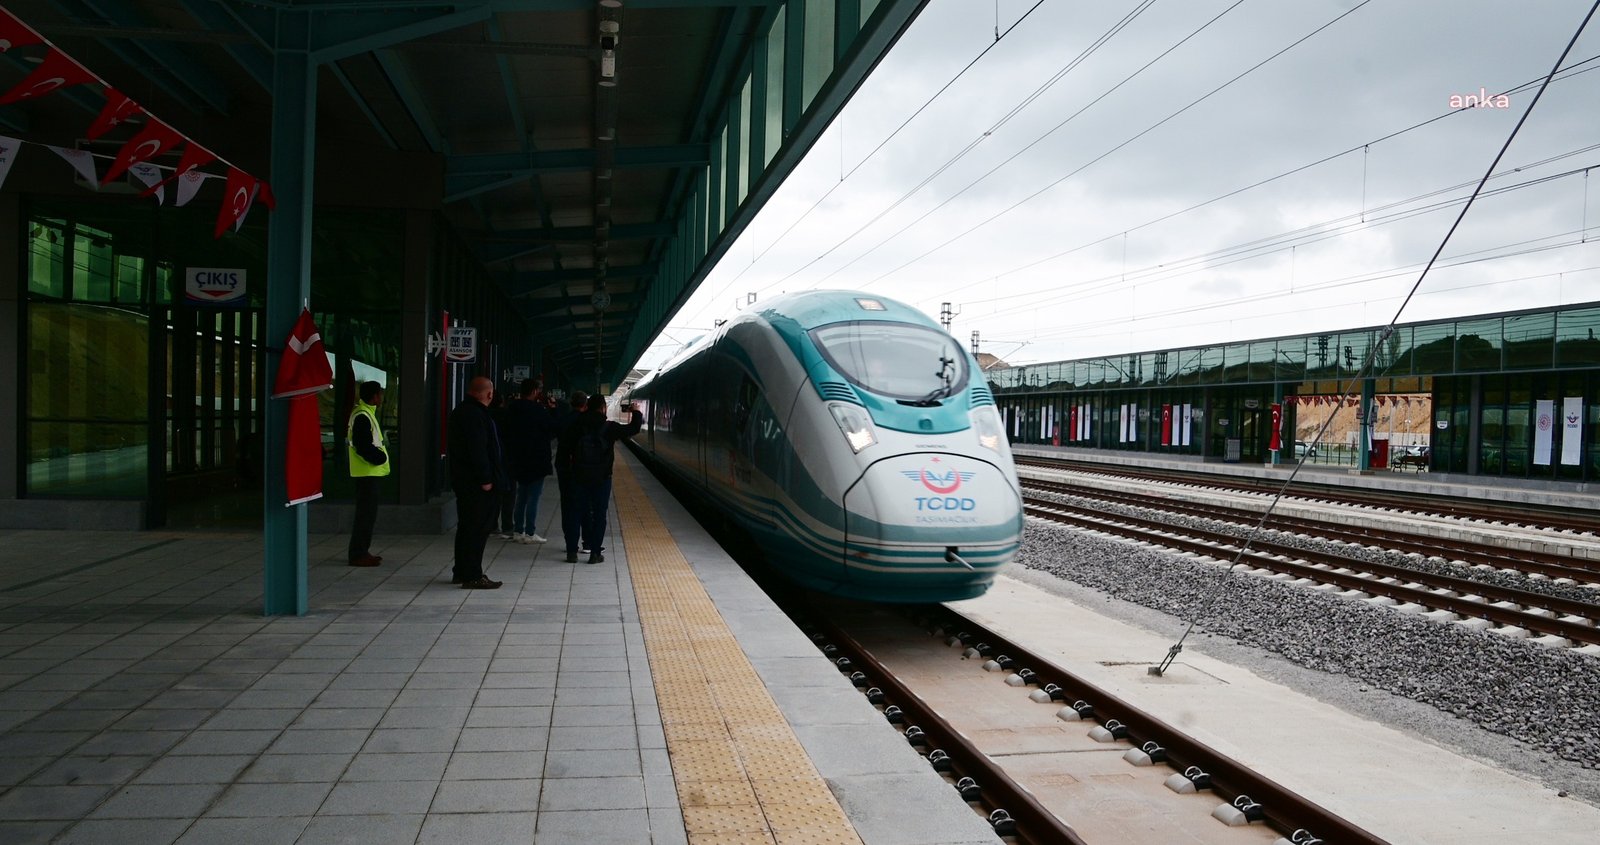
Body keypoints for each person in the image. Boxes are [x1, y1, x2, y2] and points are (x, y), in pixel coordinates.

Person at [557, 395, 643, 564]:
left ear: (587, 406)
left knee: (575, 512)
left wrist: (565, 474)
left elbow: (564, 451)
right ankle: (595, 553)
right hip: (602, 478)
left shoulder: (575, 425)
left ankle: (572, 552)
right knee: (599, 514)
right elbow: (633, 429)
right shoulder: (609, 427)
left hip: (578, 476)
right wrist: (637, 412)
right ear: (603, 408)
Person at [448, 376, 506, 589]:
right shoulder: (476, 415)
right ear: (489, 394)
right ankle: (473, 574)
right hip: (476, 484)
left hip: (465, 481)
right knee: (477, 530)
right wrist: (486, 480)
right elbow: (478, 449)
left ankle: (461, 571)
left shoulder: (462, 411)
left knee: (466, 528)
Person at [506, 378, 554, 544]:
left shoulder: (511, 408)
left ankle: (518, 531)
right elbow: (550, 431)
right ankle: (530, 532)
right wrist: (552, 410)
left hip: (517, 459)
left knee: (521, 496)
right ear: (534, 391)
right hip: (536, 460)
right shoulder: (539, 410)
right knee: (533, 497)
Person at [346, 381, 389, 567]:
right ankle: (358, 554)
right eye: (380, 394)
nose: (382, 397)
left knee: (367, 514)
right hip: (367, 472)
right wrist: (378, 458)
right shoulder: (363, 415)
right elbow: (362, 445)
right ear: (374, 396)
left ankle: (362, 551)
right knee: (365, 515)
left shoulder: (366, 413)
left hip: (369, 472)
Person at [553, 391, 588, 558]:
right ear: (585, 405)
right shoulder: (586, 422)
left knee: (568, 507)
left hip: (564, 466)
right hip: (583, 469)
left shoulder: (564, 420)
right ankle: (587, 543)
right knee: (585, 506)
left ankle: (571, 547)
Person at [489, 390, 516, 539]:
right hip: (508, 459)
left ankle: (492, 524)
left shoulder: (485, 415)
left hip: (491, 460)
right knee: (509, 493)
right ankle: (507, 525)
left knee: (494, 494)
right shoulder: (507, 416)